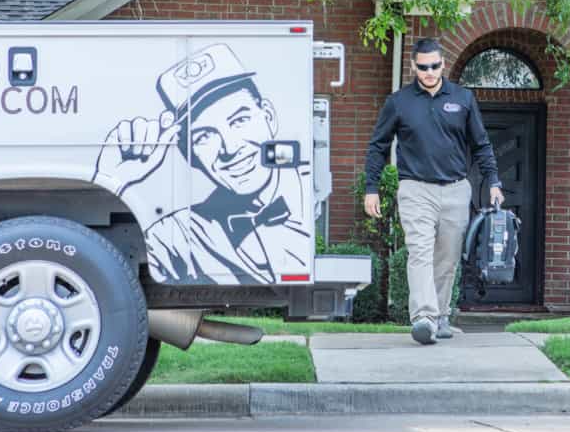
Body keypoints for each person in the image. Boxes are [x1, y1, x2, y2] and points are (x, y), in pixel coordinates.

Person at [93, 44, 311, 285]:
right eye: (204, 136)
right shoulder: (179, 234)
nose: (230, 148)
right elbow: (105, 257)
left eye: (239, 120)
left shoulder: (307, 190)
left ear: (268, 116)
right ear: (190, 155)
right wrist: (113, 180)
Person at [365, 38, 504, 345]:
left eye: (435, 66)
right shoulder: (399, 102)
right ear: (414, 66)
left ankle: (441, 316)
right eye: (423, 67)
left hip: (455, 190)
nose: (429, 72)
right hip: (416, 189)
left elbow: (480, 144)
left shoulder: (463, 99)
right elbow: (378, 146)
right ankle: (424, 317)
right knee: (420, 252)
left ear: (443, 64)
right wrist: (371, 187)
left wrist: (494, 181)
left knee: (447, 257)